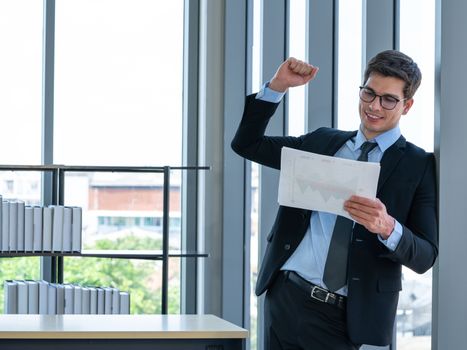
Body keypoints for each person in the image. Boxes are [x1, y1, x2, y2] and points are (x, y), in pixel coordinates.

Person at [231, 50, 438, 349]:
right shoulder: (322, 142)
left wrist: (387, 226)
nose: (374, 106)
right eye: (369, 93)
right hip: (286, 299)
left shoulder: (419, 166)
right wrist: (277, 87)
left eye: (388, 99)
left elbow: (425, 256)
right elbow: (246, 144)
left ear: (407, 106)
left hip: (346, 318)